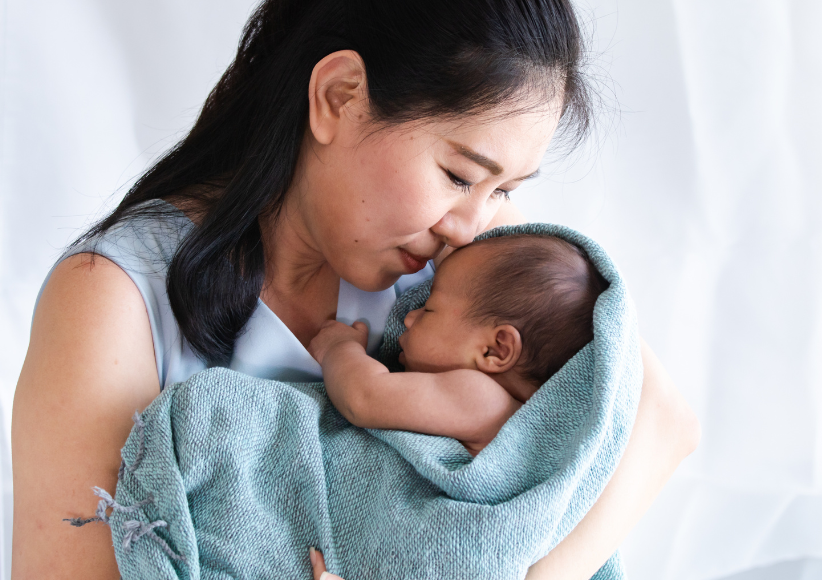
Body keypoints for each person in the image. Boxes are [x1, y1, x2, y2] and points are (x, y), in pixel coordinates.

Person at [11, 1, 700, 579]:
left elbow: (660, 418)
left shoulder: (462, 265)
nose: (471, 225)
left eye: (505, 191)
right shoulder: (115, 299)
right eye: (460, 175)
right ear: (337, 96)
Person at [312, 234, 608, 456]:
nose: (409, 318)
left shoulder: (484, 401)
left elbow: (363, 398)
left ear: (495, 351)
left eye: (429, 310)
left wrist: (339, 348)